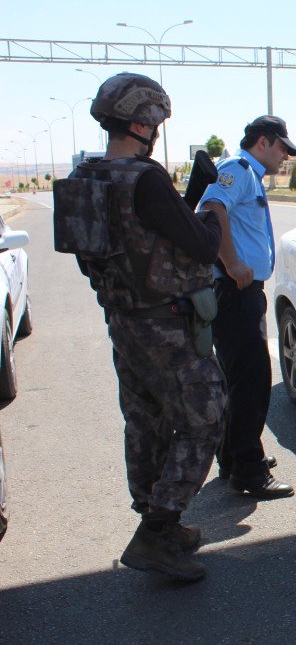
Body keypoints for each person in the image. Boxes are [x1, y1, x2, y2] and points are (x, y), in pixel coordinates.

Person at [54, 73, 225, 581]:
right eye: (156, 121)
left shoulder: (92, 175)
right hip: (166, 323)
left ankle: (157, 522)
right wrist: (213, 209)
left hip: (125, 320)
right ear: (143, 121)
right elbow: (202, 246)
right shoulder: (146, 179)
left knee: (146, 418)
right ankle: (157, 530)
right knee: (205, 418)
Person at [197, 116, 296, 498]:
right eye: (282, 148)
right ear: (262, 142)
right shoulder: (236, 170)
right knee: (252, 381)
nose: (285, 156)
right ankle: (248, 471)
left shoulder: (248, 173)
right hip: (235, 291)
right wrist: (233, 263)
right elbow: (212, 209)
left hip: (242, 293)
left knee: (239, 379)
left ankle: (235, 455)